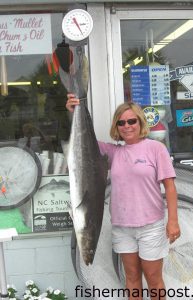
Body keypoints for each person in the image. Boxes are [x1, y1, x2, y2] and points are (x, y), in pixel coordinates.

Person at [66, 94, 180, 300]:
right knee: (132, 278)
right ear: (116, 127)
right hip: (122, 227)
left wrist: (173, 221)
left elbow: (170, 188)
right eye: (121, 122)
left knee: (153, 280)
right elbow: (82, 141)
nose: (127, 126)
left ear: (140, 122)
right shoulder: (111, 152)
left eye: (131, 121)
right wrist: (74, 112)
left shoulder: (156, 149)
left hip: (151, 226)